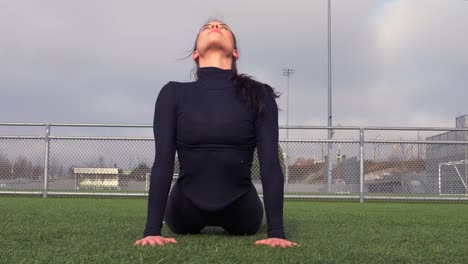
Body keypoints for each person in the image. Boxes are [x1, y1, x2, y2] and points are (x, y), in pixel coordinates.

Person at [134, 19, 300, 248]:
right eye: (206, 27)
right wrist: (152, 231)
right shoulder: (172, 93)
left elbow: (270, 163)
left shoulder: (259, 95)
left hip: (243, 212)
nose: (214, 27)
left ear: (236, 52)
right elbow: (163, 161)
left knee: (248, 210)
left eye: (223, 27)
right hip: (183, 210)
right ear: (194, 53)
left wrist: (277, 233)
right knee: (179, 205)